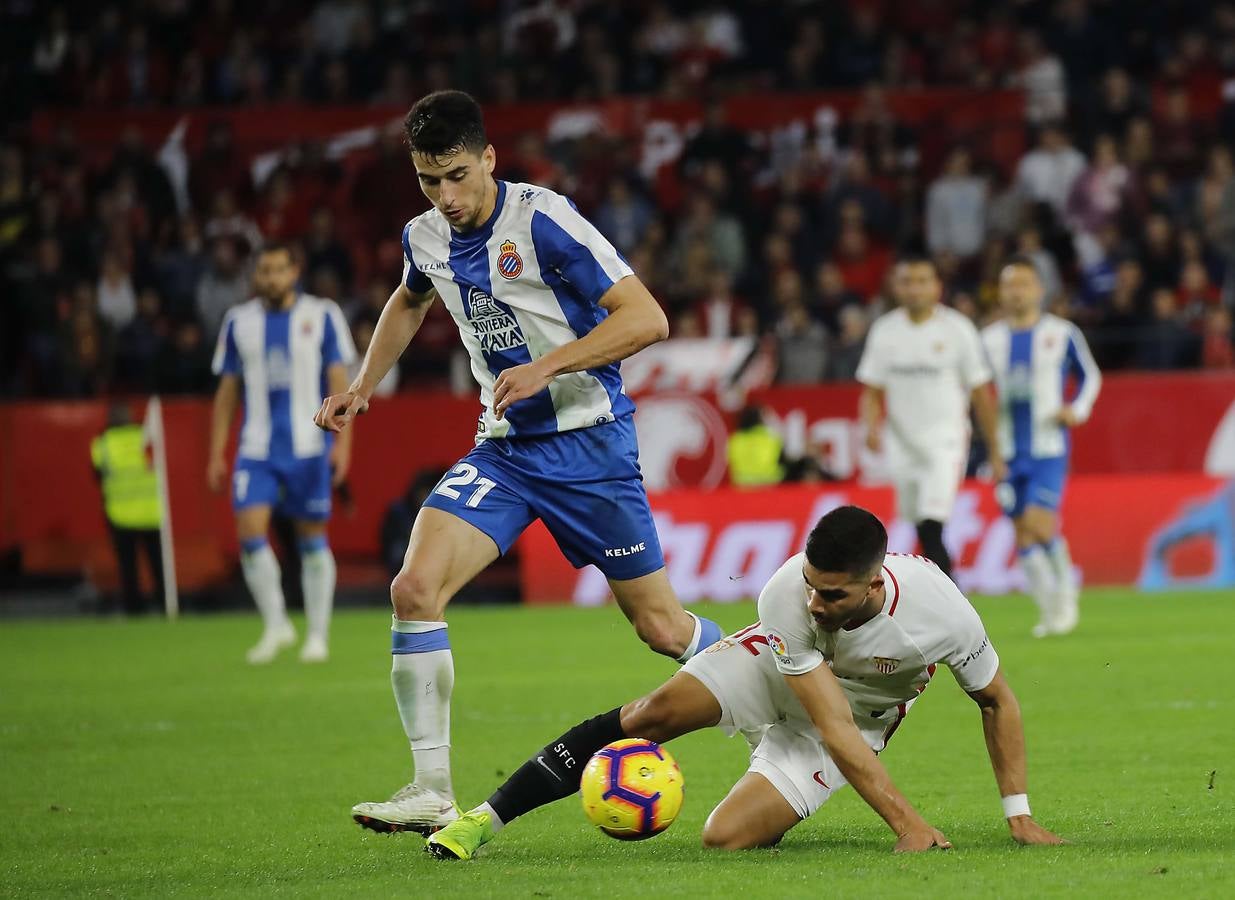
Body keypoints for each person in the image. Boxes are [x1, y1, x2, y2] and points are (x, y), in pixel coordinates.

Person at [313, 90, 724, 835]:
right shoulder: (424, 236)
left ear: (489, 158)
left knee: (662, 630)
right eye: (429, 182)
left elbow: (647, 318)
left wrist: (548, 367)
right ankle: (430, 787)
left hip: (591, 444)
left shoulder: (543, 219)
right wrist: (363, 386)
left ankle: (773, 688)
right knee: (413, 588)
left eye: (459, 176)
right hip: (505, 451)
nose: (447, 197)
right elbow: (409, 302)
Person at [426, 506, 1064, 860]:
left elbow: (995, 699)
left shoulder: (942, 614)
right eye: (811, 584)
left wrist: (1019, 815)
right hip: (777, 671)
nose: (814, 601)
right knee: (650, 714)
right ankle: (482, 820)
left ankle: (768, 765)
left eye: (832, 593)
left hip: (854, 722)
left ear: (875, 584)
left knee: (724, 838)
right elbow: (822, 702)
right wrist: (907, 823)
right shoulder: (788, 592)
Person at [208, 241, 356, 664]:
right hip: (256, 448)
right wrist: (216, 451)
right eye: (264, 271)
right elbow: (227, 391)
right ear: (256, 275)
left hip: (309, 447)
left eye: (278, 270)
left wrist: (342, 447)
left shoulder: (322, 315)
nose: (271, 278)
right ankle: (276, 625)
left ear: (295, 272)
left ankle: (317, 634)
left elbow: (341, 386)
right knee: (250, 534)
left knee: (312, 540)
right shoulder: (239, 322)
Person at [857, 254, 1005, 579]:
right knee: (919, 524)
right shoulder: (885, 331)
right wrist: (869, 426)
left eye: (922, 281)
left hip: (945, 440)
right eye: (908, 282)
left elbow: (981, 393)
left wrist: (996, 448)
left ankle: (951, 598)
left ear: (937, 287)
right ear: (897, 287)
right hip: (901, 443)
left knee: (931, 521)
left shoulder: (957, 330)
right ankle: (942, 596)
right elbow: (872, 389)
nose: (915, 289)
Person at [982, 257, 1101, 637]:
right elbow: (977, 392)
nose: (1017, 292)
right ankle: (1049, 609)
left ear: (1039, 289)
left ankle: (1066, 594)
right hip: (1006, 450)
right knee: (1021, 532)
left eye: (1024, 284)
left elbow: (1089, 376)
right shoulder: (988, 340)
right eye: (1010, 285)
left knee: (1039, 523)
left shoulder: (1061, 333)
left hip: (1048, 446)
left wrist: (1076, 409)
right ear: (1001, 293)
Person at [91, 403, 164, 614]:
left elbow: (97, 474)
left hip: (120, 514)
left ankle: (134, 609)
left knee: (128, 567)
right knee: (158, 566)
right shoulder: (144, 437)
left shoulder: (103, 444)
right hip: (152, 512)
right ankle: (165, 604)